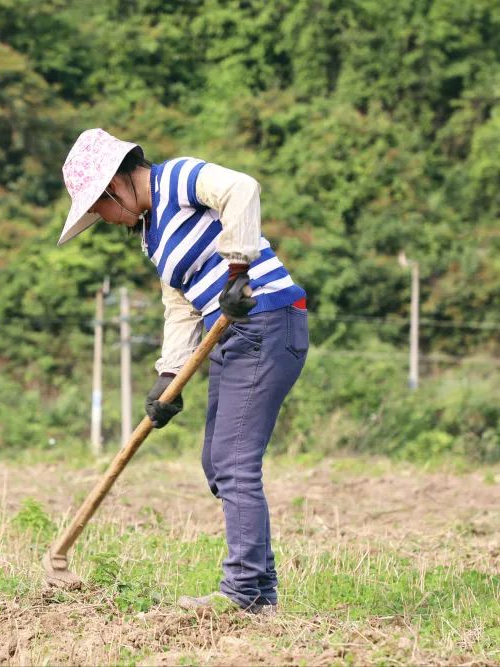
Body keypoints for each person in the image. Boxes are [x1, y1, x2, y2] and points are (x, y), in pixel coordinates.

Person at [57, 129, 309, 614]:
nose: (104, 220)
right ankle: (260, 591)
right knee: (218, 464)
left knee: (234, 463)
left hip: (267, 321)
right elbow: (181, 304)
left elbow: (243, 188)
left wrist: (238, 268)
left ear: (117, 185)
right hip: (233, 335)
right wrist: (168, 376)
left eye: (99, 209)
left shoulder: (179, 177)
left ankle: (241, 595)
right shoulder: (153, 236)